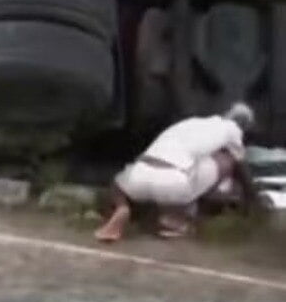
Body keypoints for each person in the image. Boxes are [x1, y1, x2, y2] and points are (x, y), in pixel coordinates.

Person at [94, 103, 257, 243]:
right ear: (244, 126)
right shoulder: (233, 129)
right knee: (227, 161)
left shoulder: (192, 123)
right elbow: (241, 166)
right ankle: (175, 218)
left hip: (139, 178)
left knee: (117, 184)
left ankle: (122, 207)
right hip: (174, 184)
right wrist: (252, 198)